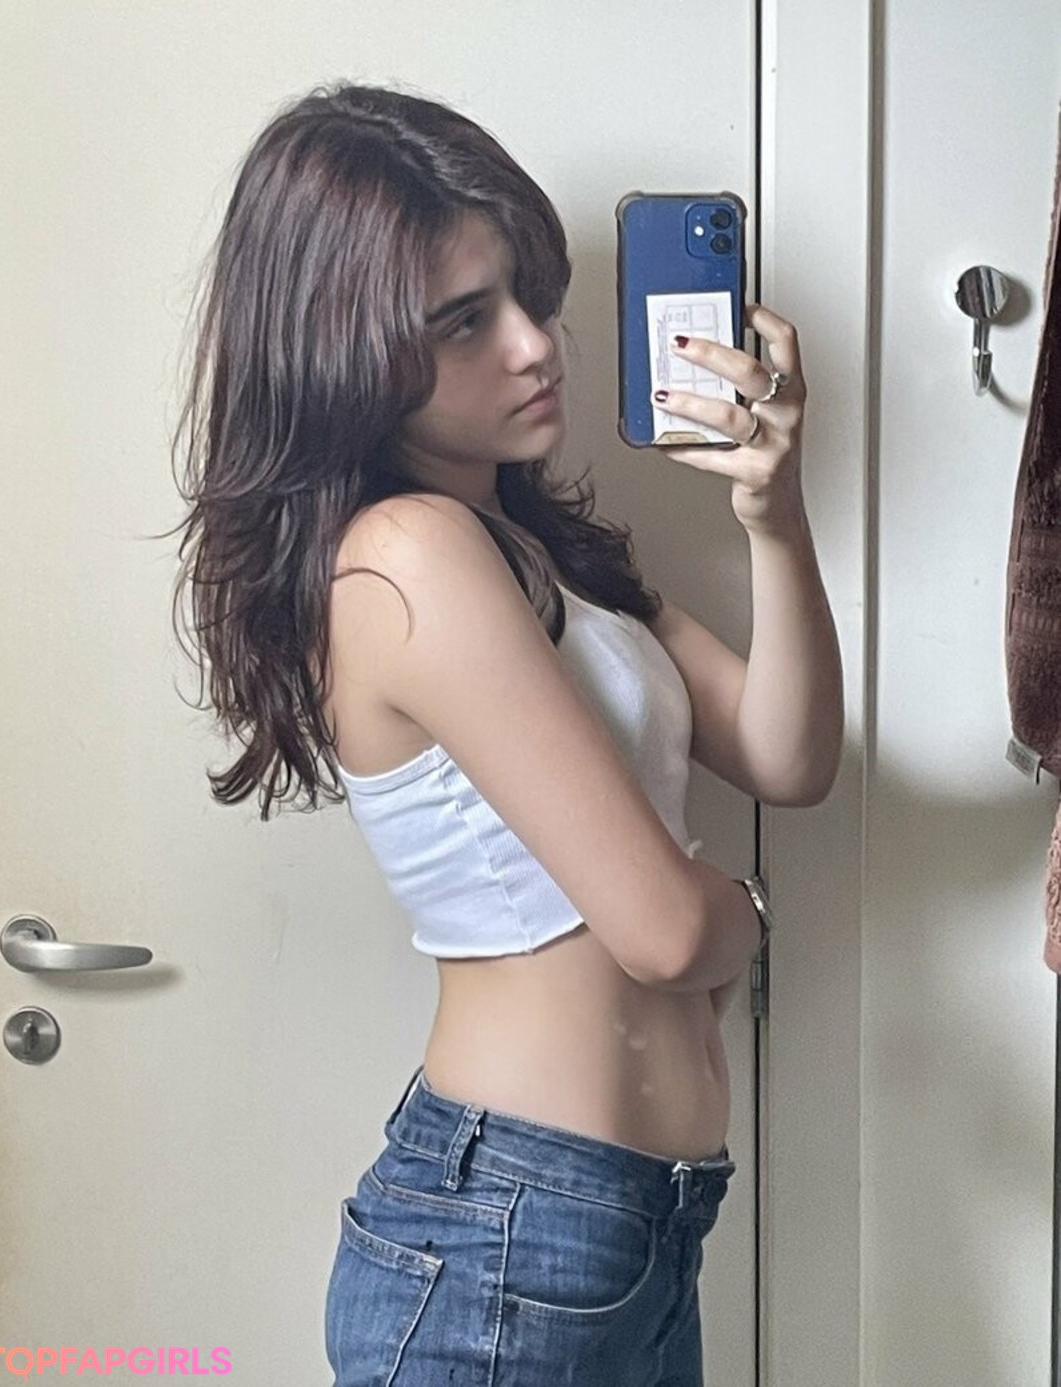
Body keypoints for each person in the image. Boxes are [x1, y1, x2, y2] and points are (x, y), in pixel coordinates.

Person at [172, 81, 843, 1386]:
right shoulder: (408, 555)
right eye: (466, 321)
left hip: (624, 1230)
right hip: (512, 1239)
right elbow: (664, 932)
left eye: (529, 297)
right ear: (346, 353)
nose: (538, 346)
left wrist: (774, 512)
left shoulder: (533, 548)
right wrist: (751, 907)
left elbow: (789, 757)